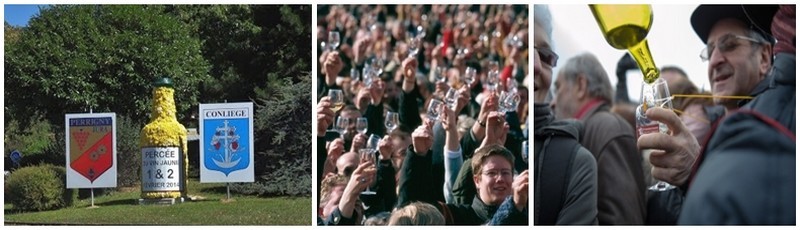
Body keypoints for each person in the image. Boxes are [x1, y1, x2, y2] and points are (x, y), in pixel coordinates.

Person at [640, 5, 795, 224]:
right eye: (709, 51)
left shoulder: (787, 115)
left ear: (763, 57)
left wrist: (696, 170)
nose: (715, 61)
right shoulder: (713, 127)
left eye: (729, 45)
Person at [550, 53, 646, 225]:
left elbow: (623, 220)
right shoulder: (595, 128)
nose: (553, 102)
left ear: (581, 85)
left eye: (558, 88)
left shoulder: (609, 128)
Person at [532, 5, 598, 225]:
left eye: (545, 56)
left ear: (581, 85)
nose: (535, 67)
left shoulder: (576, 160)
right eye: (525, 50)